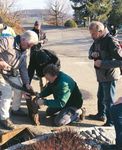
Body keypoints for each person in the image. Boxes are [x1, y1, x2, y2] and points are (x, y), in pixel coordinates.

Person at [0, 30, 38, 130]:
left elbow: (23, 68)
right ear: (23, 39)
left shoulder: (25, 50)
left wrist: (26, 83)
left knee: (20, 89)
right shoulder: (7, 42)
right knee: (6, 93)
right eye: (30, 45)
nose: (30, 47)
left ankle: (15, 109)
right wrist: (1, 62)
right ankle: (3, 118)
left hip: (11, 73)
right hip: (0, 72)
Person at [88, 21, 122, 126]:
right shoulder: (97, 40)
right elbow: (90, 52)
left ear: (101, 31)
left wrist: (102, 63)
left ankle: (110, 122)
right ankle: (101, 115)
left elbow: (120, 61)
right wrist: (92, 54)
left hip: (110, 75)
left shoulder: (111, 41)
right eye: (91, 33)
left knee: (109, 100)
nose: (92, 36)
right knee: (101, 96)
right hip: (101, 76)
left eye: (93, 33)